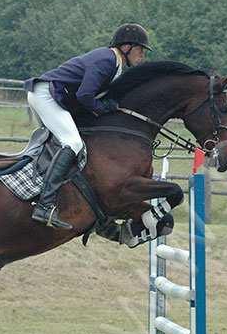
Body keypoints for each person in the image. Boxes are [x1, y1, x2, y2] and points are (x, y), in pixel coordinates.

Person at [23, 23, 152, 229]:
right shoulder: (107, 60)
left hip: (52, 95)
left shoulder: (114, 64)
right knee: (73, 143)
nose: (142, 55)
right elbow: (85, 95)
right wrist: (103, 108)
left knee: (73, 144)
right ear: (126, 47)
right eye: (140, 49)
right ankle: (44, 205)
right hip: (46, 95)